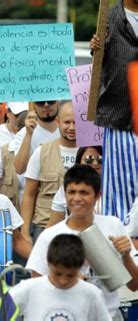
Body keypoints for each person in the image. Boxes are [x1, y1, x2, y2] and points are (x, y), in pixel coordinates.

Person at [26, 165, 138, 320]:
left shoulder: (113, 225)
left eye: (84, 192)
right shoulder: (49, 236)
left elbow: (134, 286)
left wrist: (126, 256)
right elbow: (36, 290)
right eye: (71, 192)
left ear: (98, 195)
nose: (77, 198)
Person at [89, 0, 138, 222]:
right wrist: (95, 47)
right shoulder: (107, 16)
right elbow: (99, 56)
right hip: (120, 116)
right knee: (120, 184)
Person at [10, 234, 111, 321]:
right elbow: (0, 311)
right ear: (48, 264)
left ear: (80, 268)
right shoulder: (29, 289)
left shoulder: (92, 294)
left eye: (70, 275)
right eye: (57, 274)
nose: (63, 281)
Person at [21, 101, 78, 242]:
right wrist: (25, 232)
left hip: (82, 226)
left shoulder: (92, 153)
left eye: (76, 122)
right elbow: (29, 194)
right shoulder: (42, 152)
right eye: (67, 122)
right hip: (45, 226)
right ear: (58, 122)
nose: (72, 127)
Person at [47, 146, 103, 227]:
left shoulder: (114, 187)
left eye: (100, 159)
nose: (95, 163)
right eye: (89, 159)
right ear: (79, 161)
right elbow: (52, 225)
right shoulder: (66, 188)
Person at [12, 101, 60, 175]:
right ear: (34, 106)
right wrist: (28, 134)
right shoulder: (24, 133)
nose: (46, 105)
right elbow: (19, 169)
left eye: (51, 101)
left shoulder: (69, 129)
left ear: (58, 103)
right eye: (41, 102)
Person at [0, 102, 28, 177]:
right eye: (17, 115)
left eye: (24, 115)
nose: (21, 119)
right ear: (8, 113)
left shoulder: (34, 133)